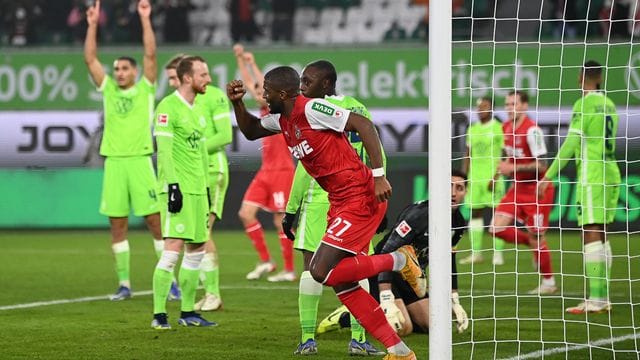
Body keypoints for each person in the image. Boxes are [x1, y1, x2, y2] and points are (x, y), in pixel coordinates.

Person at [227, 65, 424, 360]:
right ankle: (399, 351)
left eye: (267, 91)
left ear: (283, 93)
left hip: (360, 196)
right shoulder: (284, 119)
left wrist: (379, 174)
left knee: (319, 271)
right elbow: (252, 130)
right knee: (342, 283)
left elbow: (365, 126)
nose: (264, 97)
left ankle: (398, 258)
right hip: (340, 202)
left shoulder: (314, 109)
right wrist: (237, 103)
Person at [281, 60, 385, 356]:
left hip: (320, 197)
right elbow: (374, 147)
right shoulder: (358, 108)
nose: (302, 87)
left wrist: (292, 208)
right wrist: (378, 188)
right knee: (357, 266)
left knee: (310, 268)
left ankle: (307, 338)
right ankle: (359, 339)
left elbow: (306, 163)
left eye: (307, 81)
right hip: (358, 196)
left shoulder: (304, 111)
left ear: (324, 84)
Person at [84, 0, 180, 301]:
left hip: (140, 162)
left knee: (155, 222)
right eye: (116, 69)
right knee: (117, 225)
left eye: (124, 68)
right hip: (114, 163)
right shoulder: (109, 90)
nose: (119, 72)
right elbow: (90, 59)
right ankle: (124, 284)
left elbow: (151, 53)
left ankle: (170, 280)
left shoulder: (145, 89)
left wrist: (145, 18)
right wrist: (91, 24)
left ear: (135, 71)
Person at [317, 171, 470, 336]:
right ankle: (346, 316)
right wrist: (386, 295)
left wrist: (455, 300)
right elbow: (386, 251)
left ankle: (398, 310)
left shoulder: (458, 222)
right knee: (403, 328)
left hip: (411, 277)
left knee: (434, 326)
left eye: (459, 188)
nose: (453, 193)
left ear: (465, 192)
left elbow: (449, 260)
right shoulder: (418, 216)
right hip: (384, 274)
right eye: (449, 187)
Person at [538, 60, 620, 314]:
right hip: (611, 172)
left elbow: (571, 144)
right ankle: (602, 296)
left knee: (591, 231)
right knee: (601, 231)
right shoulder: (610, 105)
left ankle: (595, 299)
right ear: (601, 78)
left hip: (592, 173)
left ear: (580, 77)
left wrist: (548, 175)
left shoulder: (583, 104)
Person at [150, 55, 217, 329]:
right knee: (172, 250)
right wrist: (173, 186)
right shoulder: (168, 107)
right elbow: (163, 151)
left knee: (197, 249)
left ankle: (188, 312)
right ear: (188, 77)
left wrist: (206, 188)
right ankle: (159, 315)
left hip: (198, 190)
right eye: (203, 75)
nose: (209, 79)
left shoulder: (198, 109)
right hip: (178, 190)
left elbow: (200, 152)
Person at [164, 55, 233, 312]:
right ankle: (209, 292)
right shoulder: (179, 103)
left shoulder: (213, 96)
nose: (172, 83)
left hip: (212, 170)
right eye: (170, 78)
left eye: (174, 77)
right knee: (195, 235)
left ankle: (213, 293)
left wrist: (194, 149)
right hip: (190, 174)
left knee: (203, 233)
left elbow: (225, 134)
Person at [233, 44, 296, 282]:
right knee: (246, 213)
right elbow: (251, 86)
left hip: (282, 170)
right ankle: (266, 260)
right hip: (266, 171)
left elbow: (258, 84)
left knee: (281, 221)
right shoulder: (262, 107)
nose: (258, 91)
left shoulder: (277, 110)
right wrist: (242, 59)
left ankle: (289, 270)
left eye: (265, 90)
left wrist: (251, 63)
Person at [488, 90, 558, 295]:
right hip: (517, 189)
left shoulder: (532, 130)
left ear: (525, 106)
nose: (510, 108)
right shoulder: (505, 127)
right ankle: (531, 242)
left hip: (538, 190)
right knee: (495, 228)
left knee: (538, 236)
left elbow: (542, 164)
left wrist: (514, 170)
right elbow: (507, 157)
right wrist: (496, 175)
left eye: (514, 104)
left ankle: (549, 283)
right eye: (507, 104)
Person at [459, 97, 506, 265]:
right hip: (475, 179)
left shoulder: (499, 128)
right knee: (475, 213)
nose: (480, 110)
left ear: (492, 108)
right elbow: (468, 154)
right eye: (478, 107)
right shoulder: (472, 129)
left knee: (498, 215)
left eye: (484, 106)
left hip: (493, 178)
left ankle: (498, 254)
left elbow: (505, 154)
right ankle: (476, 253)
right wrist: (464, 178)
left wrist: (497, 175)